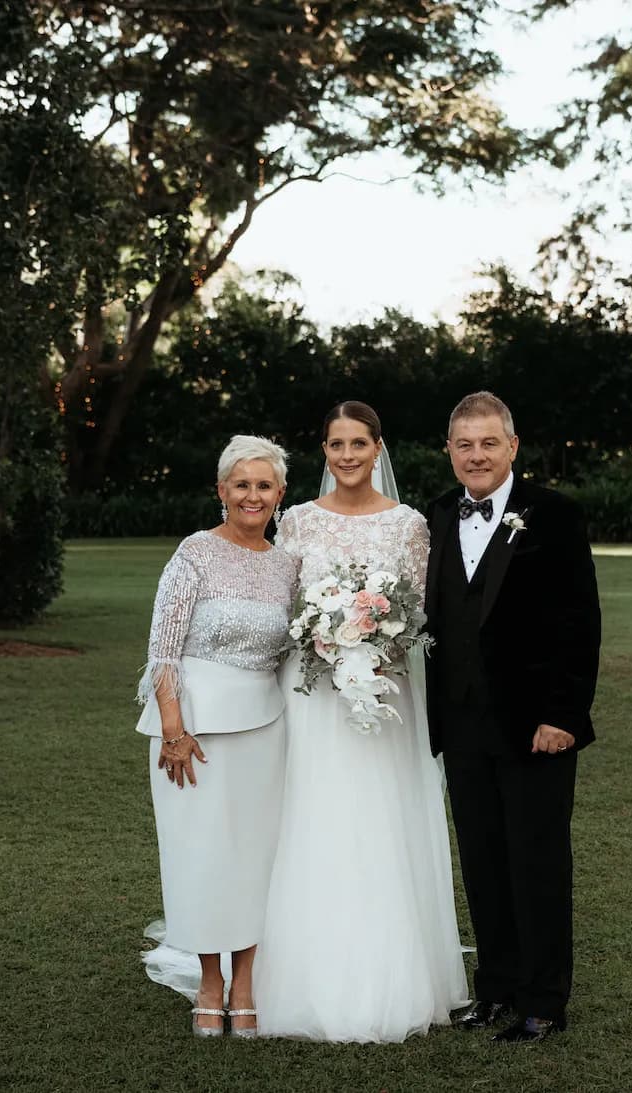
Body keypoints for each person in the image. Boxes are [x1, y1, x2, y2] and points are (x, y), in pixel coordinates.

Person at [252, 401, 469, 1042]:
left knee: (382, 819)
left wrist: (376, 644)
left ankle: (394, 971)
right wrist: (324, 637)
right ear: (323, 450)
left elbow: (425, 610)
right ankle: (302, 968)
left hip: (386, 696)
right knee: (314, 817)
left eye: (358, 443)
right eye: (336, 444)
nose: (347, 455)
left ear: (379, 448)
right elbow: (280, 604)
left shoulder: (408, 525)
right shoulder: (296, 523)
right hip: (313, 695)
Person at [423, 390, 601, 1045]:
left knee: (538, 862)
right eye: (464, 444)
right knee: (484, 862)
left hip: (536, 726)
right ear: (449, 450)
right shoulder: (439, 515)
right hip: (461, 723)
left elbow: (579, 622)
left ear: (512, 447)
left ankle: (544, 1000)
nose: (476, 454)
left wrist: (563, 713)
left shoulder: (554, 514)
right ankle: (495, 987)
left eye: (488, 442)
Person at [136, 435, 298, 1038]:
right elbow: (163, 649)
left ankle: (248, 982)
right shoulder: (195, 552)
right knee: (201, 855)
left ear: (280, 495)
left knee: (259, 856)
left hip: (266, 727)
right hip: (193, 731)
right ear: (222, 491)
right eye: (241, 484)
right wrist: (174, 730)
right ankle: (209, 981)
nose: (251, 495)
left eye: (264, 485)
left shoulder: (289, 565)